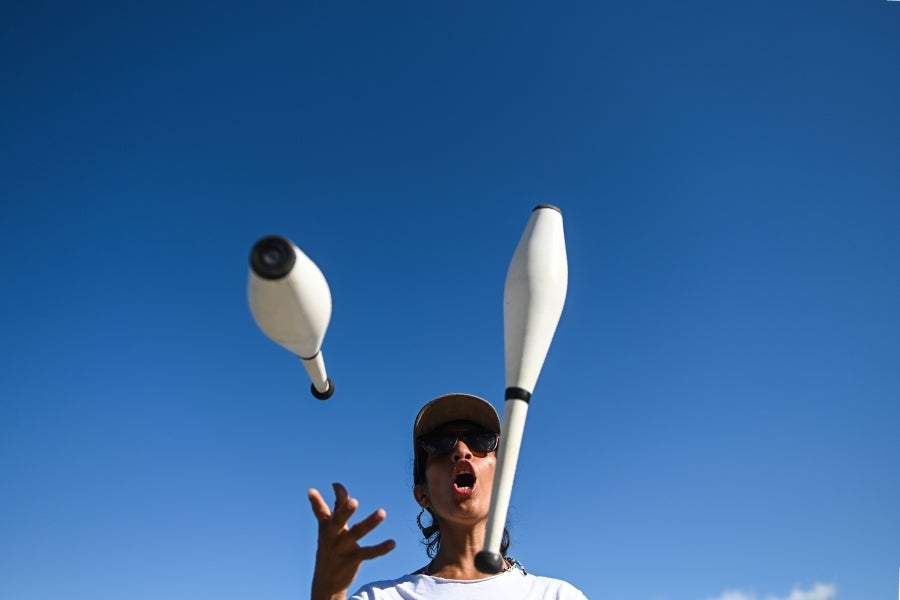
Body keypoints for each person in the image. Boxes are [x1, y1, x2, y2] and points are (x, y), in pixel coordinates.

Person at [307, 392, 588, 599]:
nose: (462, 450)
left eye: (481, 439)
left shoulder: (556, 596)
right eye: (440, 444)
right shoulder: (383, 597)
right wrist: (328, 591)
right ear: (422, 494)